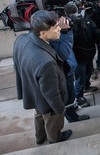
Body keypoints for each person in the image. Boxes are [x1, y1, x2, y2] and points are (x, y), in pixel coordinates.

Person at [13, 10, 72, 144]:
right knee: (53, 121)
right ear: (43, 33)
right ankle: (54, 139)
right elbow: (51, 93)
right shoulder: (46, 63)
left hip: (32, 92)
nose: (59, 29)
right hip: (47, 101)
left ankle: (40, 137)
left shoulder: (21, 39)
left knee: (39, 114)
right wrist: (60, 109)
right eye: (56, 27)